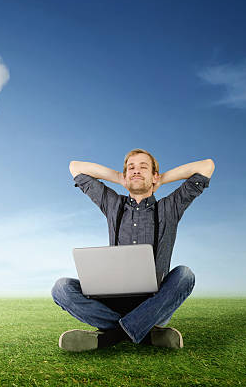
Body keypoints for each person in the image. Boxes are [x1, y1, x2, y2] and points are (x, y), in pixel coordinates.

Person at [51, 149, 215, 351]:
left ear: (154, 175)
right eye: (131, 168)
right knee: (61, 288)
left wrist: (162, 179)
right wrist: (120, 178)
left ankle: (110, 337)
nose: (136, 171)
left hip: (154, 303)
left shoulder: (170, 207)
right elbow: (75, 167)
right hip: (114, 299)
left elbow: (206, 166)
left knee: (185, 275)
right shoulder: (113, 204)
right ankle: (145, 334)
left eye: (143, 167)